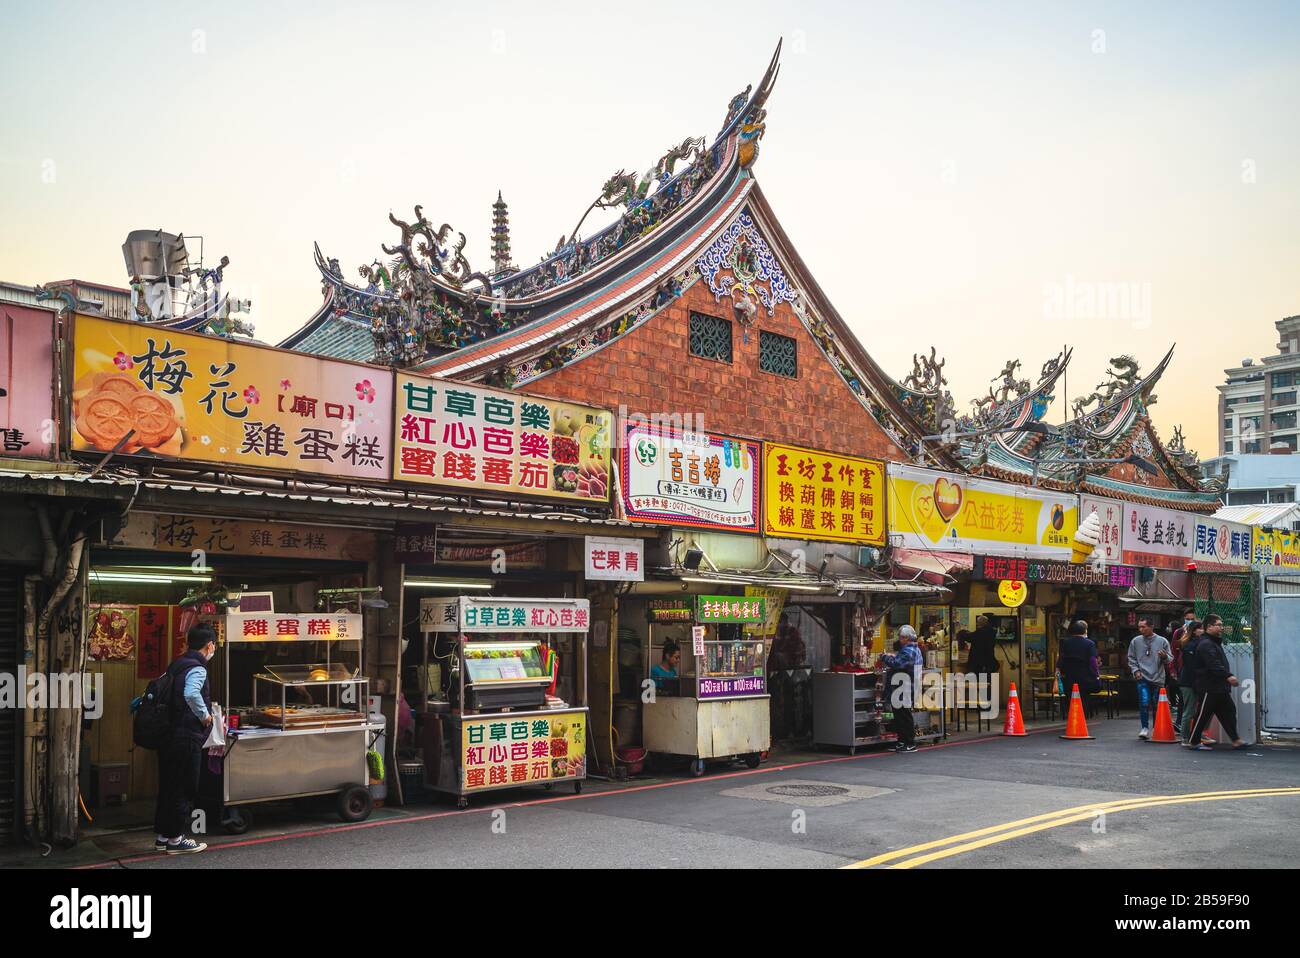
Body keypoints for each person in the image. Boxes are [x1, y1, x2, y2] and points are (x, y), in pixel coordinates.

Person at [153, 623, 216, 855]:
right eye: (214, 646)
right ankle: (177, 838)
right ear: (209, 645)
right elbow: (191, 693)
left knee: (169, 785)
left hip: (169, 735)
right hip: (186, 736)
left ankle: (163, 835)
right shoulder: (198, 668)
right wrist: (205, 716)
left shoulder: (176, 664)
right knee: (184, 786)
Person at [1185, 614, 1247, 750]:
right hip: (1209, 687)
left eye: (1221, 624)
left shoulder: (1213, 642)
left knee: (1229, 711)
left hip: (1219, 687)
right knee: (1203, 715)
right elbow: (1213, 664)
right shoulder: (1206, 644)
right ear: (1209, 627)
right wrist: (1228, 676)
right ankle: (1193, 741)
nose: (1221, 627)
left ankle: (1235, 739)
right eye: (1218, 625)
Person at [1126, 617, 1172, 739]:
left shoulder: (1162, 641)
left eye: (1143, 627)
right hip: (1142, 677)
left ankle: (1156, 728)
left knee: (1157, 704)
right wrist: (1135, 671)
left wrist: (1164, 657)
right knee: (1144, 702)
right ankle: (1144, 727)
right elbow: (1131, 658)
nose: (1141, 629)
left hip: (1158, 677)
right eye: (1139, 627)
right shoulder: (1135, 641)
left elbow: (1170, 659)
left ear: (1151, 626)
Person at [880, 625, 924, 752]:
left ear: (906, 638)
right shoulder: (913, 649)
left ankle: (910, 742)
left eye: (900, 637)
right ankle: (902, 741)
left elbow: (897, 664)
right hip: (905, 687)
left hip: (904, 688)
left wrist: (884, 657)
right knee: (899, 716)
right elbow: (900, 661)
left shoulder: (908, 650)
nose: (899, 639)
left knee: (904, 716)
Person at [1057, 620, 1100, 714]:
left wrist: (1059, 673)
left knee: (1070, 699)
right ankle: (1082, 719)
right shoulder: (1089, 643)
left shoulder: (1066, 643)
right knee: (1083, 698)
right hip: (1085, 677)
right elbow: (1093, 661)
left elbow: (1061, 659)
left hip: (1069, 676)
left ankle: (1072, 719)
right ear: (1085, 631)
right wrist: (1096, 674)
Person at [1178, 621, 1205, 742]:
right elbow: (1190, 667)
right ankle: (1185, 737)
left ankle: (1190, 735)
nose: (1203, 631)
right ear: (1194, 631)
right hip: (1189, 682)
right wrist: (1195, 683)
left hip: (1190, 681)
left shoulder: (1194, 643)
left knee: (1191, 710)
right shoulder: (1191, 645)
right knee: (1189, 710)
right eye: (1201, 629)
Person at [966, 615, 999, 706]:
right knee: (987, 685)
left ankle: (984, 705)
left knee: (981, 685)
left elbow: (968, 637)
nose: (977, 623)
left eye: (978, 622)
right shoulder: (992, 632)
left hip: (980, 663)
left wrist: (963, 633)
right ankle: (987, 705)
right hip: (989, 662)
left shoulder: (980, 632)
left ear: (980, 623)